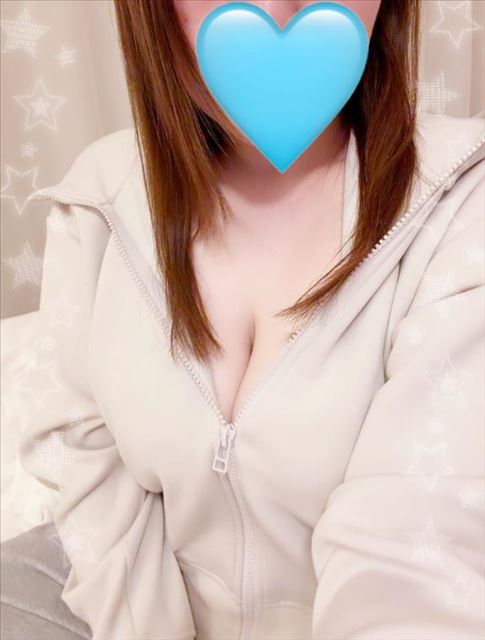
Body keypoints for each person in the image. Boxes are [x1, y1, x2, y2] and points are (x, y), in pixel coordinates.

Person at [1, 1, 484, 639]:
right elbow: (86, 473)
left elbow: (419, 556)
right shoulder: (96, 203)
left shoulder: (461, 205)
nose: (281, 11)